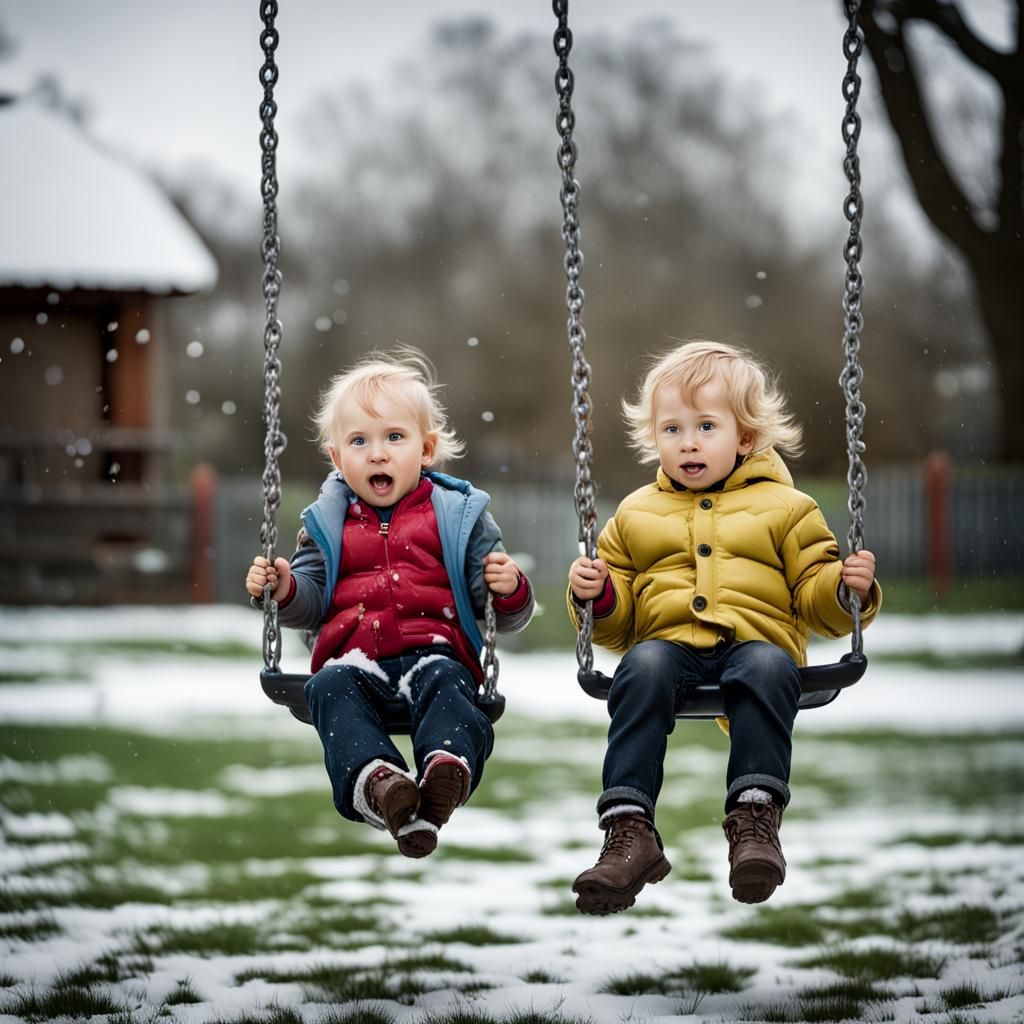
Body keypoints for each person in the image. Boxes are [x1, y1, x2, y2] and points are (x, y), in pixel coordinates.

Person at [567, 340, 880, 914]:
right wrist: (599, 596)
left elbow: (816, 601)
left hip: (757, 646)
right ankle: (629, 829)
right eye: (672, 428)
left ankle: (755, 821)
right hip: (669, 649)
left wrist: (845, 590)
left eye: (706, 425)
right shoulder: (634, 514)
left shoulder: (789, 508)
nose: (687, 441)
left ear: (745, 437)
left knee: (765, 666)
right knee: (642, 664)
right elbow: (619, 625)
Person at [246, 348, 533, 858]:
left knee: (448, 683)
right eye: (359, 441)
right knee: (328, 685)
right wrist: (283, 587)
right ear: (337, 458)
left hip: (435, 655)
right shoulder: (327, 523)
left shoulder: (457, 515)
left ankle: (445, 771)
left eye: (394, 438)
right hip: (354, 663)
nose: (377, 453)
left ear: (426, 450)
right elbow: (308, 601)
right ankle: (381, 784)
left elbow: (498, 611)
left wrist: (508, 589)